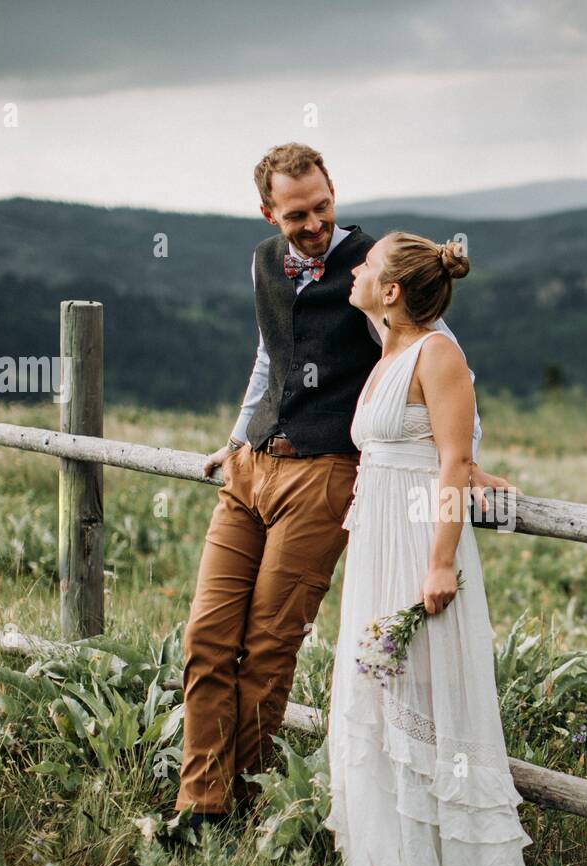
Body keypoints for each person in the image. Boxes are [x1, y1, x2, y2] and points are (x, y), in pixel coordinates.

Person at [174, 143, 516, 828]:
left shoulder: (375, 273)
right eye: (297, 214)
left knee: (269, 648)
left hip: (323, 476)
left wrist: (465, 456)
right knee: (206, 640)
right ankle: (199, 805)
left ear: (334, 191)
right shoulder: (264, 263)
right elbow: (270, 355)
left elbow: (443, 360)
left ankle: (244, 803)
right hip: (251, 471)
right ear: (268, 212)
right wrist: (240, 436)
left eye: (323, 206)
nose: (315, 224)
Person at [324, 231, 532, 866]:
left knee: (423, 692)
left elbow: (448, 462)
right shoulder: (387, 347)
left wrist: (440, 561)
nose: (353, 270)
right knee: (375, 692)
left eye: (367, 266)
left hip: (418, 537)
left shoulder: (438, 354)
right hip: (376, 537)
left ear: (391, 291)